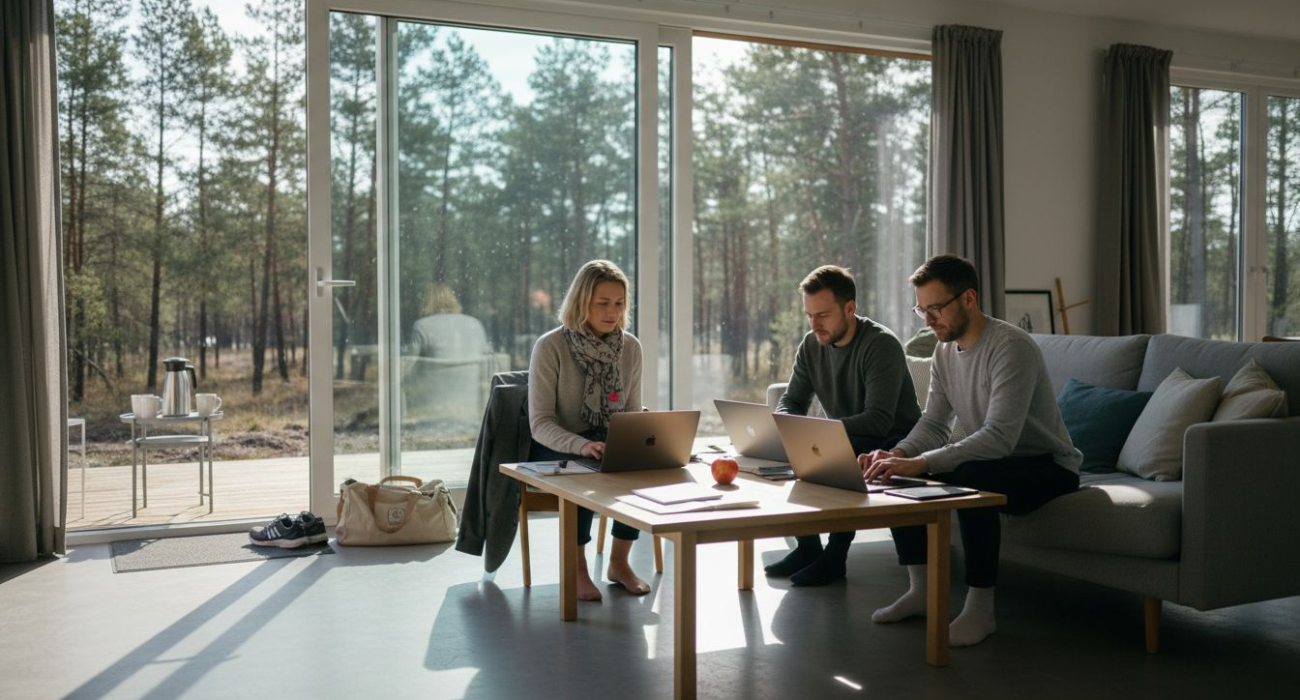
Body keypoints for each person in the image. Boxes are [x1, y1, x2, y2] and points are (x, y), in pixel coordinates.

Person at [861, 254, 1082, 646]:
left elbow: (1000, 437)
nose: (928, 320)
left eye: (935, 308)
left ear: (968, 299)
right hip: (995, 460)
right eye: (921, 310)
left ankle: (981, 610)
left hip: (1048, 466)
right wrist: (898, 455)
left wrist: (923, 462)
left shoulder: (1011, 347)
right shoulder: (944, 352)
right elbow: (934, 423)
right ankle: (922, 592)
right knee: (894, 471)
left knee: (969, 478)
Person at [768, 265, 921, 586]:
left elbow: (879, 419)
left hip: (894, 439)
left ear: (850, 308)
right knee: (797, 448)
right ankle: (808, 547)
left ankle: (836, 556)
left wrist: (821, 431)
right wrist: (789, 424)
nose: (814, 325)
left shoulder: (880, 345)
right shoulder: (812, 345)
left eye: (823, 315)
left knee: (836, 450)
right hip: (847, 432)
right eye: (809, 315)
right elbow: (792, 399)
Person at [528, 260, 649, 602]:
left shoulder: (631, 348)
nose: (613, 312)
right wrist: (582, 444)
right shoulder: (550, 346)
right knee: (584, 472)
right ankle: (578, 570)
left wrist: (640, 434)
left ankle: (619, 563)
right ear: (582, 302)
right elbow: (540, 423)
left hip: (606, 441)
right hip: (557, 444)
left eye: (620, 303)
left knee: (642, 465)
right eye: (603, 303)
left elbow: (629, 412)